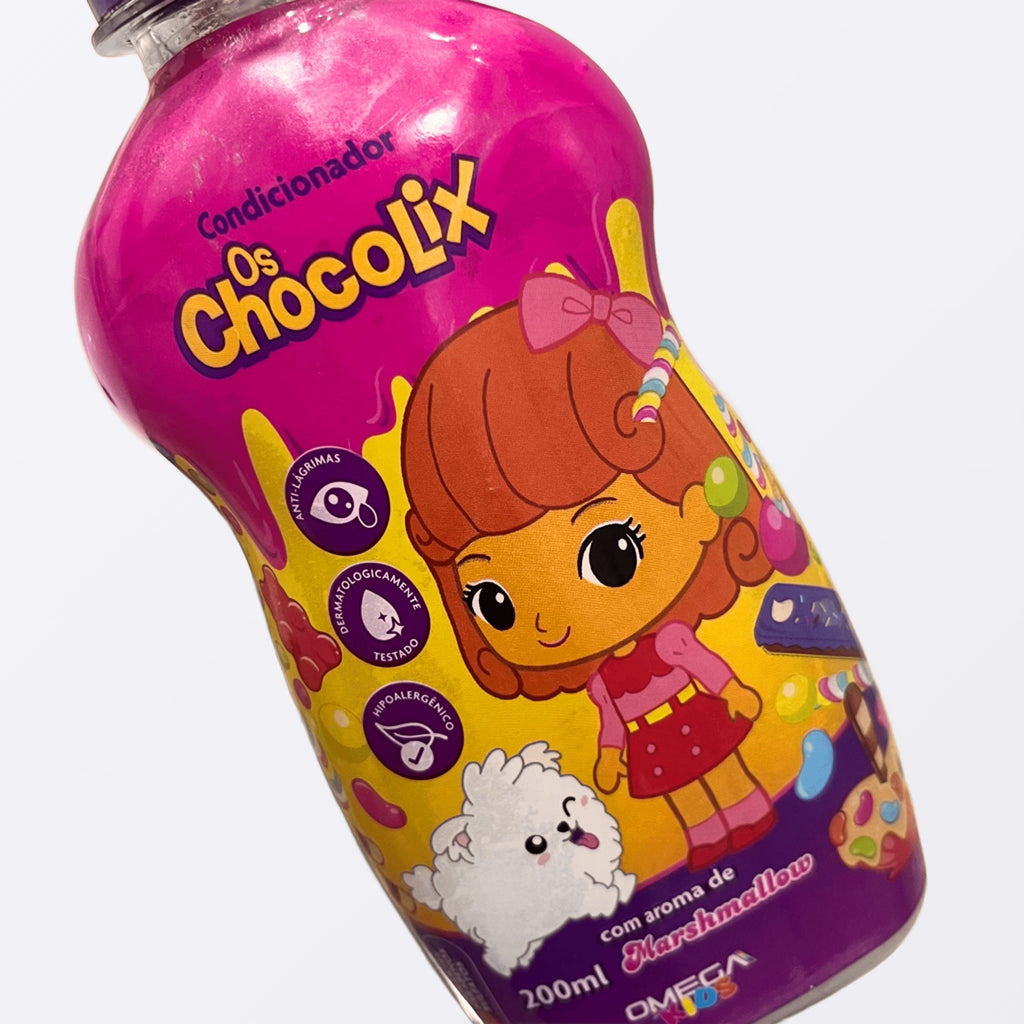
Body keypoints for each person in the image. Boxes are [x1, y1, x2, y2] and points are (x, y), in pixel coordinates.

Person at [402, 274, 776, 869]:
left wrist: (732, 691)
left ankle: (750, 810)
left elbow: (704, 666)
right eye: (494, 602)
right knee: (685, 796)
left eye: (611, 552)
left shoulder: (670, 642)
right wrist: (609, 754)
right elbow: (609, 723)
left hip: (693, 718)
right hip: (653, 743)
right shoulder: (601, 683)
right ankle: (707, 835)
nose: (548, 624)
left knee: (725, 773)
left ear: (697, 510)